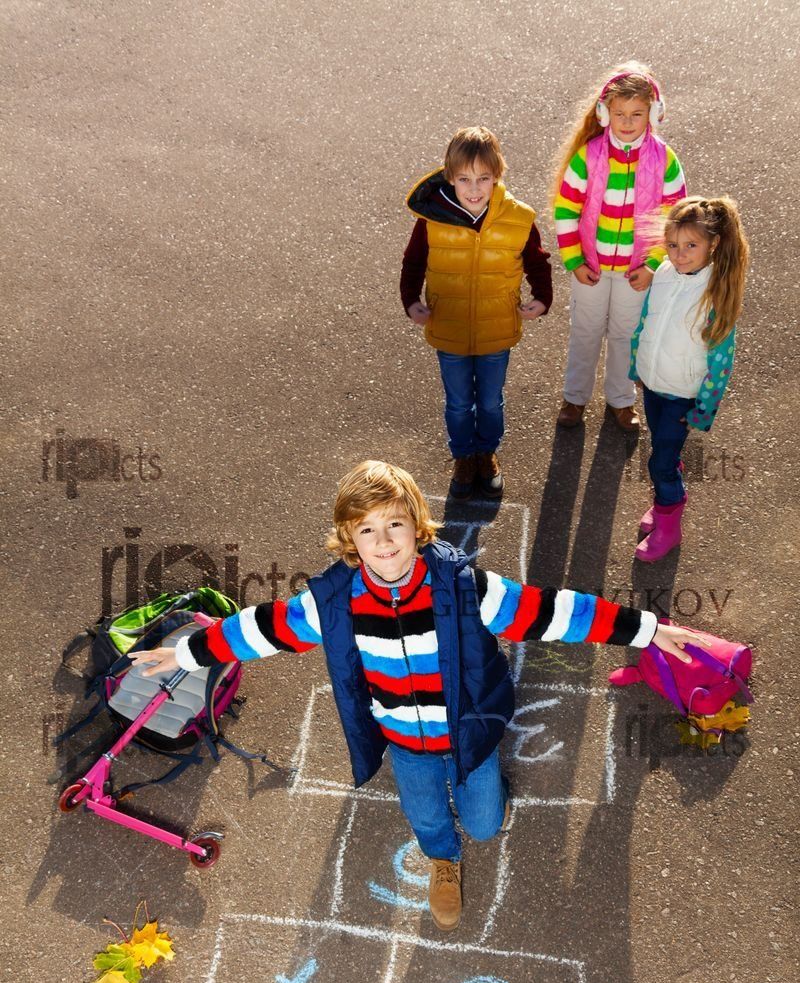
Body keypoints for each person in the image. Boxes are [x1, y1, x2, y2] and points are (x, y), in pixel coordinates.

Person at [130, 461, 706, 932]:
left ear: (418, 526)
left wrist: (648, 629)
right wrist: (184, 654)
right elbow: (262, 628)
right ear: (349, 540)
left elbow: (555, 612)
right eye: (367, 531)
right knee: (428, 818)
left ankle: (487, 793)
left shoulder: (462, 587)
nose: (384, 543)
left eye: (394, 526)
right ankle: (443, 861)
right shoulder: (333, 603)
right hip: (403, 741)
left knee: (484, 822)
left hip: (467, 732)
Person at [401, 126, 552, 500]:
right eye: (464, 179)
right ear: (450, 178)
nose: (474, 188)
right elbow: (414, 261)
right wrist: (411, 300)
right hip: (449, 328)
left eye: (483, 178)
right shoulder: (432, 218)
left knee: (489, 400)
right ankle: (463, 456)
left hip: (496, 328)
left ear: (497, 175)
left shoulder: (518, 218)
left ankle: (487, 452)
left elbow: (537, 261)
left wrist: (543, 297)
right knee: (457, 402)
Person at [552, 61, 687, 430]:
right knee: (585, 331)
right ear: (604, 112)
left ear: (653, 114)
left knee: (626, 335)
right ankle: (575, 398)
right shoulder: (589, 155)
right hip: (590, 266)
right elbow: (566, 209)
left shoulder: (665, 160)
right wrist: (574, 258)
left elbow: (673, 219)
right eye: (619, 113)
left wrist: (653, 264)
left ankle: (621, 400)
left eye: (637, 113)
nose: (627, 122)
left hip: (635, 271)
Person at [630, 196, 749, 560]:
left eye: (691, 246)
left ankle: (670, 519)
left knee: (661, 461)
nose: (679, 254)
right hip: (654, 384)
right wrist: (637, 363)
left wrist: (703, 409)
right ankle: (666, 495)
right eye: (673, 245)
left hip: (684, 394)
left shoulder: (714, 292)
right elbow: (646, 321)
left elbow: (721, 361)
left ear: (712, 245)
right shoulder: (664, 272)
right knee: (662, 451)